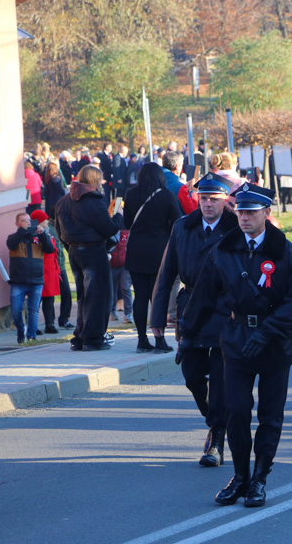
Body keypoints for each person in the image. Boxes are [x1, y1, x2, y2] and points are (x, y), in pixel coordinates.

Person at [179, 183, 292, 507]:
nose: (244, 218)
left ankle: (260, 479)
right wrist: (187, 335)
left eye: (252, 212)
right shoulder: (224, 250)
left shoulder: (287, 252)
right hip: (237, 339)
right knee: (236, 411)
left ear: (267, 213)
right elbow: (203, 295)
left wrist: (267, 332)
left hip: (275, 343)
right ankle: (240, 477)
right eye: (241, 211)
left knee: (270, 415)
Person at [152, 173, 238, 466]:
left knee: (222, 379)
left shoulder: (236, 228)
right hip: (191, 312)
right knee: (192, 376)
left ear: (225, 199)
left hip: (227, 310)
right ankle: (215, 421)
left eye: (214, 199)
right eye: (203, 198)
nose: (207, 204)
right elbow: (166, 275)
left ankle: (216, 436)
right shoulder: (183, 227)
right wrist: (158, 318)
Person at [55, 165, 119, 351]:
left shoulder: (64, 201)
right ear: (94, 180)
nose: (101, 183)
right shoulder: (93, 200)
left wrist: (70, 247)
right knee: (98, 296)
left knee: (83, 296)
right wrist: (118, 218)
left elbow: (60, 231)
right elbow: (108, 228)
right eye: (99, 180)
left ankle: (80, 336)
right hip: (93, 251)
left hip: (75, 252)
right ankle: (92, 338)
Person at [124, 163, 182, 352]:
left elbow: (126, 222)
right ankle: (160, 339)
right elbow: (177, 222)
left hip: (136, 252)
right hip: (159, 252)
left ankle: (142, 340)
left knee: (139, 296)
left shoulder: (131, 194)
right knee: (158, 296)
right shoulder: (166, 196)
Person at [7, 212, 55, 343]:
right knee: (16, 310)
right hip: (18, 281)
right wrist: (23, 231)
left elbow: (50, 249)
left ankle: (31, 337)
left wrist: (42, 233)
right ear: (17, 224)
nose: (27, 222)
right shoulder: (13, 237)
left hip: (36, 280)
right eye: (23, 220)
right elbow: (11, 245)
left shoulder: (38, 237)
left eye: (29, 220)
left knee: (33, 310)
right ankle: (21, 330)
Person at [27, 209, 62, 335]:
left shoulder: (48, 234)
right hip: (41, 271)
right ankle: (33, 326)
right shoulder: (34, 237)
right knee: (37, 300)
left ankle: (50, 323)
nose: (47, 221)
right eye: (44, 219)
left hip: (50, 271)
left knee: (49, 299)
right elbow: (49, 249)